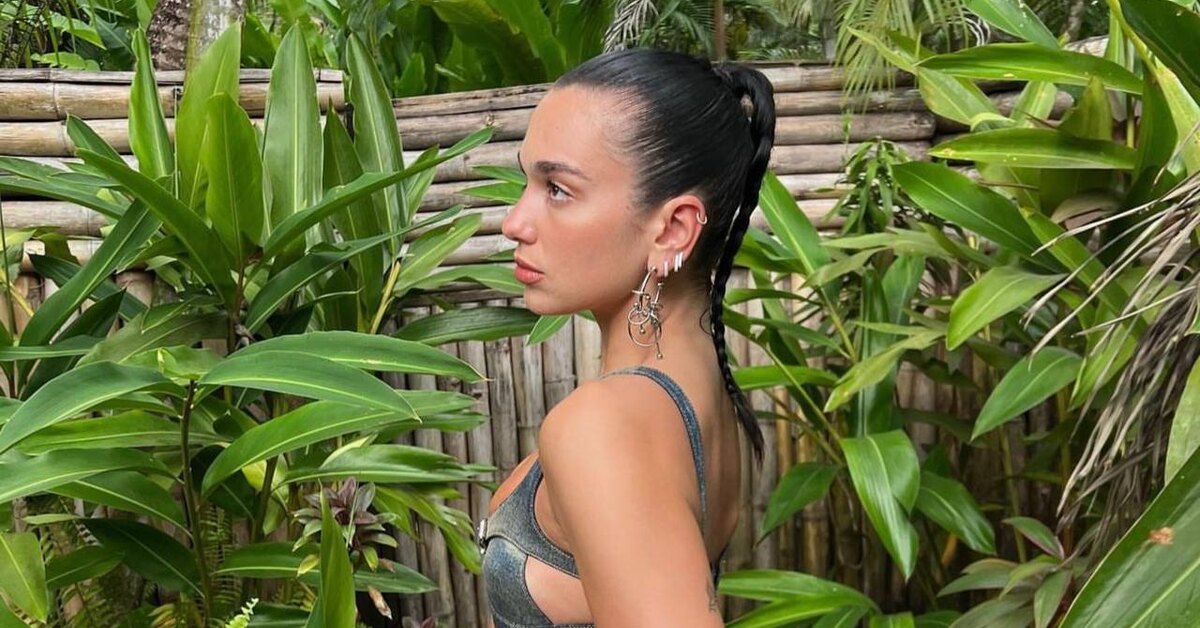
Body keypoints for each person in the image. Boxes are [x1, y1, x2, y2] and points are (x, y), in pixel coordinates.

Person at [477, 47, 776, 627]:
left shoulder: (604, 425)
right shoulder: (705, 390)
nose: (514, 222)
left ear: (673, 229)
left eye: (557, 189)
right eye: (527, 182)